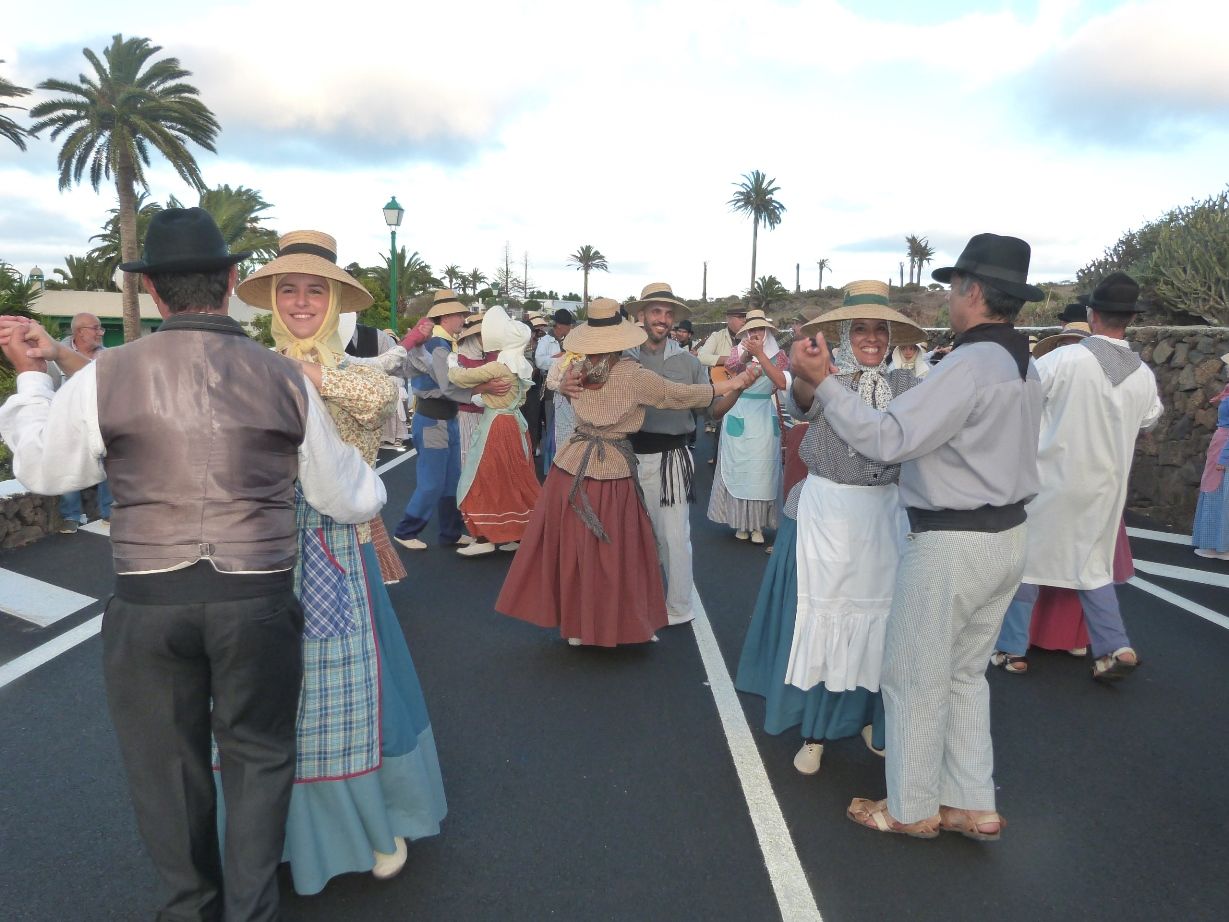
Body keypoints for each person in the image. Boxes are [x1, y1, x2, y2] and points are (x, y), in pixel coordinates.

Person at [0, 208, 386, 920]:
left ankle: (188, 908)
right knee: (259, 758)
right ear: (234, 281)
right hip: (259, 600)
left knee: (166, 770)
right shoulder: (284, 377)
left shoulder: (105, 374)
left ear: (152, 294)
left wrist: (30, 384)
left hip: (148, 602)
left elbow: (47, 473)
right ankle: (251, 910)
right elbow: (349, 497)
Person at [790, 232, 1045, 840]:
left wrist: (825, 383)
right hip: (1007, 536)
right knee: (963, 675)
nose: (949, 299)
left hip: (953, 542)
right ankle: (971, 799)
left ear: (973, 291)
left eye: (953, 287)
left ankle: (908, 806)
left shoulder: (968, 364)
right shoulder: (1023, 362)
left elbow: (889, 439)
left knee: (911, 676)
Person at [233, 230, 448, 893]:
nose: (300, 301)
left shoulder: (361, 374)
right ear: (271, 299)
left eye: (314, 291)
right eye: (287, 290)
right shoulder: (246, 363)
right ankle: (277, 828)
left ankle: (364, 822)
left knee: (345, 699)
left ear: (334, 305)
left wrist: (304, 373)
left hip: (333, 550)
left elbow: (375, 405)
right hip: (255, 551)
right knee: (262, 696)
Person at [736, 284, 924, 776]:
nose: (871, 338)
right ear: (843, 333)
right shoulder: (827, 374)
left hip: (885, 515)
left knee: (882, 621)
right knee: (825, 619)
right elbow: (802, 400)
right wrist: (806, 372)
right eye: (860, 328)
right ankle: (815, 731)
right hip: (829, 517)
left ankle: (868, 718)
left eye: (879, 329)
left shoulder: (906, 384)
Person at [496, 298, 756, 647]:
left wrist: (562, 385)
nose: (662, 320)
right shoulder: (631, 374)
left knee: (581, 547)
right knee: (619, 550)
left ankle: (579, 623)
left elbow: (554, 383)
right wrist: (730, 384)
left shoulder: (578, 370)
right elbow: (678, 395)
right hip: (614, 465)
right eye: (656, 313)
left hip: (574, 465)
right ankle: (618, 624)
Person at [992, 272, 1162, 682]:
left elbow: (1020, 394)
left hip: (1053, 480)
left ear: (1091, 313)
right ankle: (1114, 646)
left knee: (1028, 564)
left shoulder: (1064, 360)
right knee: (1093, 568)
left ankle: (1012, 650)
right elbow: (1152, 419)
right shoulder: (1143, 375)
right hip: (1108, 488)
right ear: (1129, 320)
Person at [391, 290, 510, 550]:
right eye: (460, 315)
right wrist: (483, 388)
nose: (463, 320)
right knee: (433, 482)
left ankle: (450, 532)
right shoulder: (438, 345)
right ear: (446, 317)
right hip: (434, 418)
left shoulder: (440, 343)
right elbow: (447, 384)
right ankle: (406, 530)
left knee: (451, 480)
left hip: (444, 417)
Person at [624, 282, 708, 626]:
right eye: (656, 311)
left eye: (668, 313)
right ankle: (632, 601)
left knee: (673, 536)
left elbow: (712, 407)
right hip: (624, 456)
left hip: (670, 458)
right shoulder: (622, 359)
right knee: (628, 535)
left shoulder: (689, 363)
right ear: (641, 315)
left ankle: (678, 606)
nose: (662, 318)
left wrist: (738, 386)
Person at [447, 306, 541, 556]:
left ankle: (484, 537)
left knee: (483, 478)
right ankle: (518, 533)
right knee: (514, 479)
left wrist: (451, 357)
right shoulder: (523, 366)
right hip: (515, 426)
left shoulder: (499, 368)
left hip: (496, 428)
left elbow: (459, 377)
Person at [707, 308, 789, 545]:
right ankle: (742, 523)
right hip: (739, 409)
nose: (755, 333)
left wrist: (761, 355)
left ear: (766, 331)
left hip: (764, 414)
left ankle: (759, 526)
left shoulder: (780, 356)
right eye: (752, 329)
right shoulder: (737, 352)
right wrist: (746, 355)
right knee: (739, 467)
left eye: (759, 329)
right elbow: (734, 371)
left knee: (763, 471)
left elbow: (781, 381)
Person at [46, 312, 113, 533]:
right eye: (96, 328)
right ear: (79, 332)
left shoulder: (107, 357)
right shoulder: (55, 359)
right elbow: (49, 389)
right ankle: (70, 516)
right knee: (68, 467)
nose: (100, 332)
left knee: (107, 466)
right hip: (67, 423)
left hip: (98, 420)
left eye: (100, 328)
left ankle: (110, 513)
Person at [1193, 355, 1229, 560]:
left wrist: (1225, 458)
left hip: (1225, 445)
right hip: (1222, 443)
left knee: (1219, 491)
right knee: (1217, 490)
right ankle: (1217, 543)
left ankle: (1220, 546)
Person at [535, 308, 574, 470]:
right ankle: (551, 464)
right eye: (568, 325)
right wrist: (559, 361)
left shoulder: (569, 339)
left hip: (568, 386)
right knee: (553, 424)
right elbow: (539, 361)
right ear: (560, 325)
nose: (570, 328)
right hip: (551, 388)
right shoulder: (546, 341)